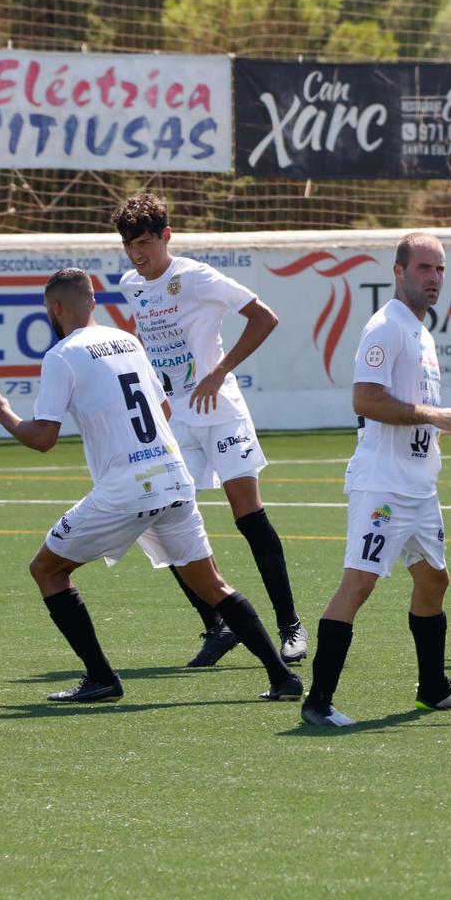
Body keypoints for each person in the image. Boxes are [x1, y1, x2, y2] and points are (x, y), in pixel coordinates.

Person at [0, 269, 302, 705]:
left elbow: (43, 438)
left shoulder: (60, 356)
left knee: (48, 570)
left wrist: (5, 416)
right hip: (173, 477)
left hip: (125, 489)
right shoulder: (128, 341)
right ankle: (282, 677)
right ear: (93, 303)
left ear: (55, 309)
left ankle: (101, 678)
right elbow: (165, 408)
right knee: (213, 586)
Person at [299, 233, 451, 728]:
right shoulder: (385, 327)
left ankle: (433, 689)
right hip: (383, 485)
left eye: (440, 269)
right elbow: (366, 400)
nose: (434, 278)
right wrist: (438, 415)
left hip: (419, 486)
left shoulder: (422, 333)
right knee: (358, 584)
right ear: (399, 271)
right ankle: (317, 701)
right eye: (424, 268)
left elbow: (426, 413)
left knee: (434, 579)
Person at [112, 194, 305, 668]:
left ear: (166, 237)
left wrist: (218, 371)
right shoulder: (131, 285)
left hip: (219, 409)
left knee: (247, 514)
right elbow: (148, 343)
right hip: (174, 418)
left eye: (144, 242)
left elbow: (265, 317)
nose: (137, 254)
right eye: (129, 245)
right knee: (166, 518)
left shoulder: (195, 277)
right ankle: (218, 625)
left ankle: (291, 627)